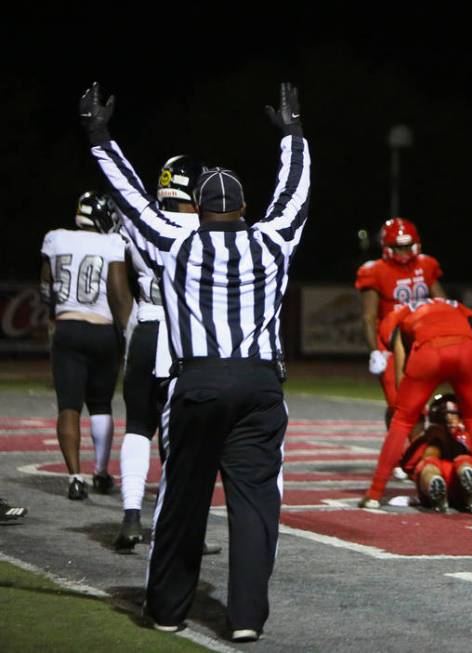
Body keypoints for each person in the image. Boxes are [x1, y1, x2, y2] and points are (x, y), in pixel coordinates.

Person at [80, 81, 310, 642]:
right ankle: (247, 618)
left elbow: (131, 198)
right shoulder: (273, 241)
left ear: (199, 210)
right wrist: (294, 137)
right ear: (245, 210)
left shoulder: (176, 243)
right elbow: (297, 194)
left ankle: (168, 608)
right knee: (256, 505)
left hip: (199, 381)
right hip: (259, 386)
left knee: (182, 500)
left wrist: (99, 135)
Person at [114, 155, 220, 556]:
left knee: (138, 427)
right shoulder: (208, 228)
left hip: (145, 327)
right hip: (182, 336)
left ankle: (129, 517)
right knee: (185, 438)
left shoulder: (141, 222)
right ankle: (176, 527)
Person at [360, 298, 472, 509]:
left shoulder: (399, 317)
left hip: (429, 351)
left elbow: (400, 381)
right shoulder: (459, 309)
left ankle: (374, 493)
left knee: (401, 421)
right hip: (465, 350)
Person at [41, 191, 130, 500]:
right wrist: (128, 331)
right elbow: (119, 293)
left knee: (68, 406)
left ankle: (75, 478)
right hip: (102, 330)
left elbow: (45, 286)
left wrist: (55, 320)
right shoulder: (113, 243)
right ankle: (101, 472)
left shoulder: (56, 239)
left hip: (67, 328)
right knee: (101, 404)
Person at [356, 218, 446, 422]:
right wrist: (374, 351)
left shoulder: (426, 264)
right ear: (386, 247)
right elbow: (369, 316)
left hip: (419, 339)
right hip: (389, 342)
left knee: (416, 400)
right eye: (398, 248)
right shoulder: (374, 270)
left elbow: (442, 303)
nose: (404, 253)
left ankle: (406, 445)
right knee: (398, 402)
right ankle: (405, 447)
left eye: (407, 247)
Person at [403, 393, 472, 513]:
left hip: (459, 482)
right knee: (429, 463)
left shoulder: (467, 436)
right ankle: (436, 488)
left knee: (465, 461)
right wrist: (426, 439)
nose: (449, 420)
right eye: (445, 415)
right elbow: (408, 466)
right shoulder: (427, 438)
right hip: (431, 484)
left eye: (454, 415)